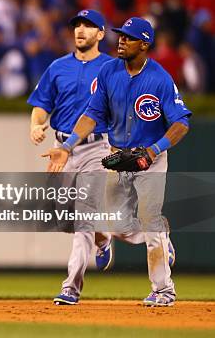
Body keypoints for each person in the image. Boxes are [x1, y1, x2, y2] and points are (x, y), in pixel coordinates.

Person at [43, 17, 191, 307]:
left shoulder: (159, 78)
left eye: (128, 37)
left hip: (151, 159)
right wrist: (67, 146)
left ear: (144, 44)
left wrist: (153, 150)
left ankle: (163, 290)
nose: (121, 41)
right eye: (121, 36)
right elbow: (92, 114)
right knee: (120, 226)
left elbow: (181, 123)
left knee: (149, 219)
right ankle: (162, 234)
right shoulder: (110, 71)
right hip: (117, 157)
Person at [28, 9, 114, 305]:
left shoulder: (112, 68)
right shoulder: (57, 67)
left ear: (101, 34)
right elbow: (41, 105)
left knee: (83, 218)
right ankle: (103, 238)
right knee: (65, 218)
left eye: (89, 26)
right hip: (61, 148)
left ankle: (70, 288)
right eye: (77, 24)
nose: (80, 29)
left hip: (96, 148)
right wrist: (36, 124)